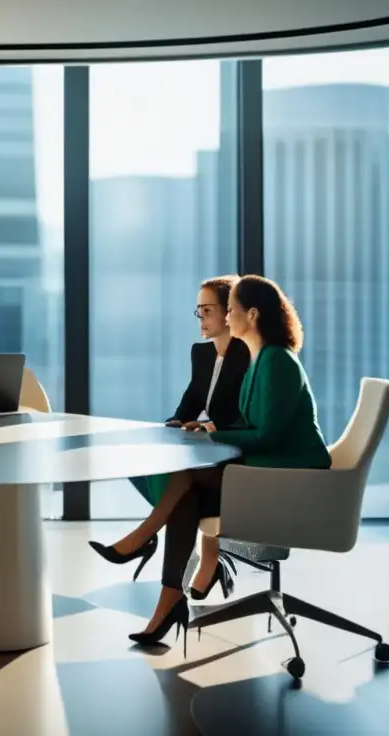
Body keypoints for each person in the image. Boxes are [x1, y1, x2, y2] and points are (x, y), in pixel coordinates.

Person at [93, 275, 331, 649]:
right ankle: (168, 601)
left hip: (292, 479)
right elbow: (249, 425)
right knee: (185, 495)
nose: (226, 316)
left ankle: (144, 537)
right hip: (264, 469)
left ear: (251, 314)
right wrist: (206, 428)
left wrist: (211, 433)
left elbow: (267, 435)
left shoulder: (277, 361)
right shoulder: (260, 359)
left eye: (230, 310)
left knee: (186, 473)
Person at [90, 275, 250, 599]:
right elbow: (188, 405)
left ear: (229, 312)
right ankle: (182, 567)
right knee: (146, 461)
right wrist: (178, 423)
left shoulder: (249, 357)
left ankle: (146, 536)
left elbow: (247, 418)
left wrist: (211, 427)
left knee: (182, 479)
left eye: (207, 310)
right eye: (198, 311)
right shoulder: (202, 355)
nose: (201, 319)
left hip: (240, 459)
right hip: (210, 455)